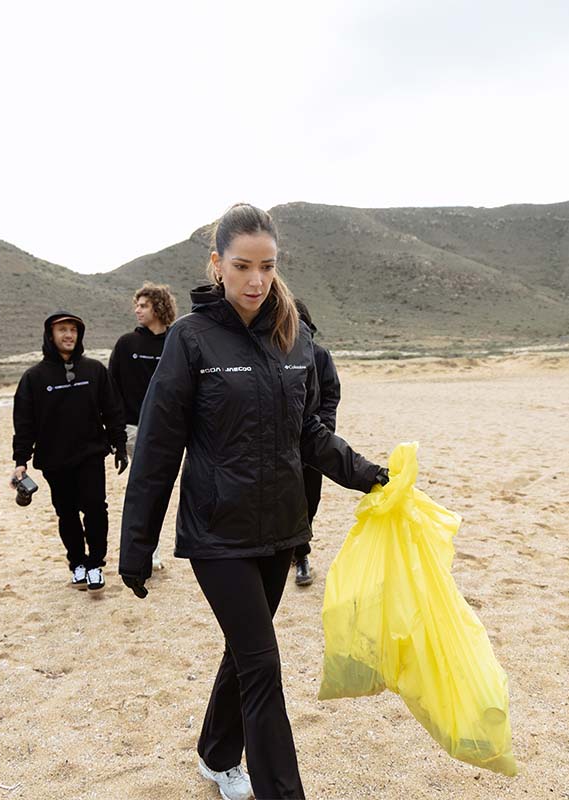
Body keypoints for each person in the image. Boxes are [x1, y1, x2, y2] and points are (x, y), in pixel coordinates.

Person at [118, 204, 388, 800]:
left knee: (246, 652)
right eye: (242, 265)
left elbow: (309, 434)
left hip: (280, 529)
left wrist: (370, 475)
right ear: (217, 264)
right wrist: (136, 548)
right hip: (217, 534)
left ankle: (217, 754)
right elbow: (159, 449)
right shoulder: (191, 339)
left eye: (267, 266)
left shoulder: (295, 337)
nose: (256, 279)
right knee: (263, 665)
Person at [12, 311, 127, 591]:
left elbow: (111, 409)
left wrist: (119, 443)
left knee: (96, 509)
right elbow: (24, 422)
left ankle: (96, 565)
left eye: (73, 330)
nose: (68, 335)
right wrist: (21, 460)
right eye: (62, 330)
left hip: (90, 454)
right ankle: (77, 563)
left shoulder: (95, 370)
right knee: (67, 513)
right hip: (54, 458)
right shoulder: (34, 377)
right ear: (50, 336)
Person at [109, 282, 177, 571]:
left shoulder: (175, 342)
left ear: (159, 307)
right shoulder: (126, 344)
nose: (137, 310)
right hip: (135, 428)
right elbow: (112, 387)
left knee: (167, 489)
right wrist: (116, 432)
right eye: (136, 305)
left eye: (144, 305)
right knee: (147, 489)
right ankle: (148, 553)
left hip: (171, 428)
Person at [290, 298, 341, 587]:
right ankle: (298, 553)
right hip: (277, 446)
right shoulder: (270, 356)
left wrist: (324, 429)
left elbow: (331, 395)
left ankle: (300, 553)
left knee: (310, 501)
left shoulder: (320, 356)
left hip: (313, 443)